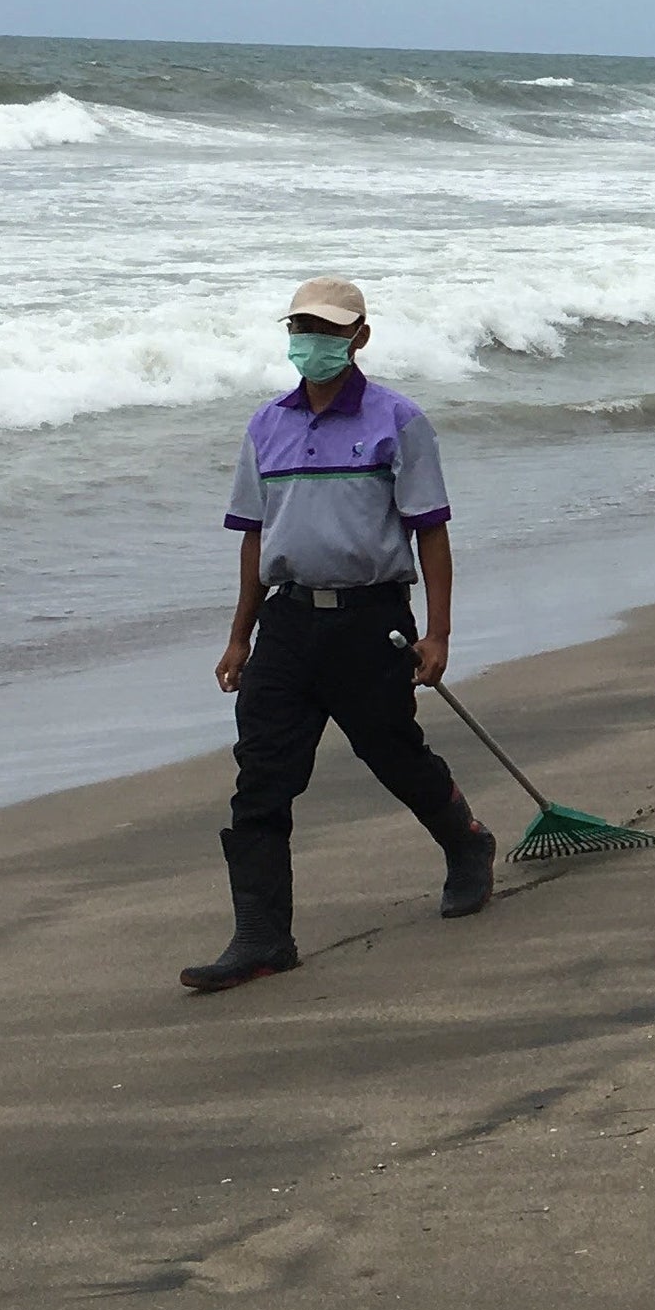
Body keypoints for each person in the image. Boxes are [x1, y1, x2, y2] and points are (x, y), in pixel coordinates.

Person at [185, 276, 497, 994]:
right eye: (302, 327)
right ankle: (262, 936)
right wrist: (239, 636)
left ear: (359, 337)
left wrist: (439, 635)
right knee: (261, 778)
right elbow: (254, 538)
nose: (312, 341)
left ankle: (466, 843)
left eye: (327, 330)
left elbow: (431, 531)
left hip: (370, 620)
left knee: (392, 753)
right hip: (287, 623)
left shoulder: (399, 421)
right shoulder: (267, 425)